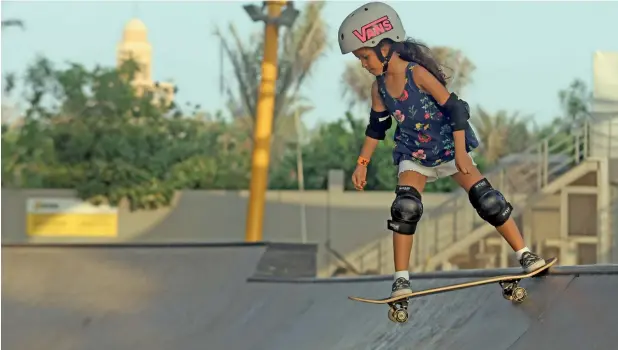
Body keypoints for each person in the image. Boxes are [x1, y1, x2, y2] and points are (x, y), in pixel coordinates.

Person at [338, 2, 548, 298]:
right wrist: (362, 162)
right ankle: (401, 279)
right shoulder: (379, 88)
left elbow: (456, 110)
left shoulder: (418, 74)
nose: (364, 64)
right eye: (360, 59)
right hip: (413, 154)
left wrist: (461, 152)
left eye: (365, 56)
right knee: (405, 209)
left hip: (449, 148)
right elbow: (376, 128)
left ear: (385, 46)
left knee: (488, 201)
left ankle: (525, 253)